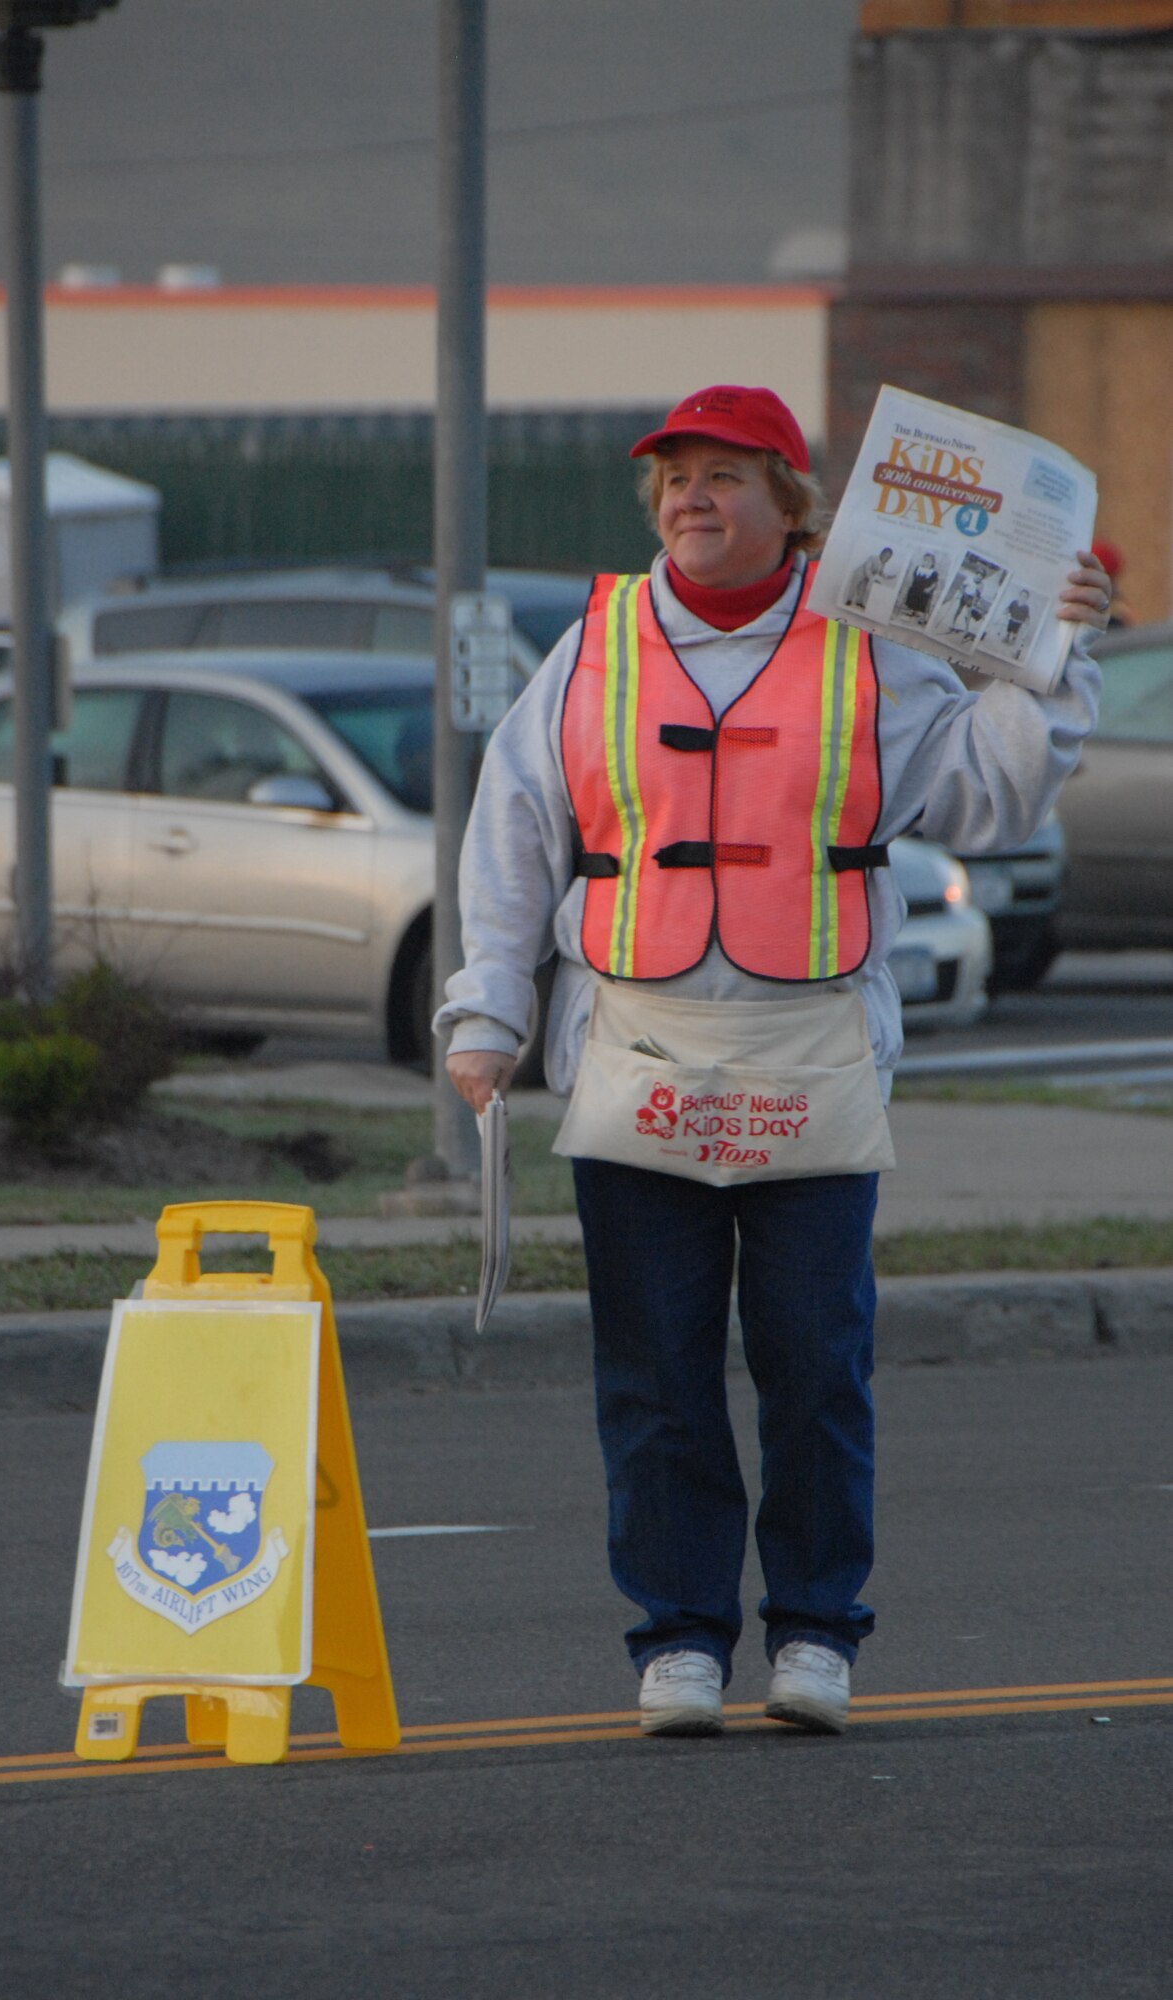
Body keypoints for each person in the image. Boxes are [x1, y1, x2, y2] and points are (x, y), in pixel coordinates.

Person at [436, 384, 1111, 1740]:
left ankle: (816, 1631)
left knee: (815, 1359)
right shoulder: (595, 648)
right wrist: (486, 1012)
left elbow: (986, 794)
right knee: (656, 1367)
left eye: (725, 477)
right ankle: (678, 1639)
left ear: (790, 504)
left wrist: (1055, 656)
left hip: (814, 1054)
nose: (694, 498)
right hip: (636, 1050)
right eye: (675, 479)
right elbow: (513, 830)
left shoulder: (877, 648)